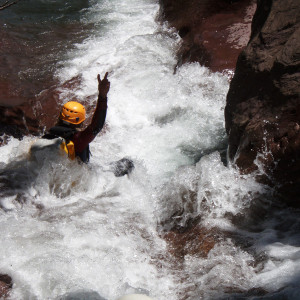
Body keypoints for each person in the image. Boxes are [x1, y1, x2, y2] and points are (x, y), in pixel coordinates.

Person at [43, 72, 110, 163]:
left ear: (60, 117)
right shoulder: (78, 139)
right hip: (80, 174)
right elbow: (97, 126)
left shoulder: (47, 135)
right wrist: (102, 96)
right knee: (127, 162)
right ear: (80, 122)